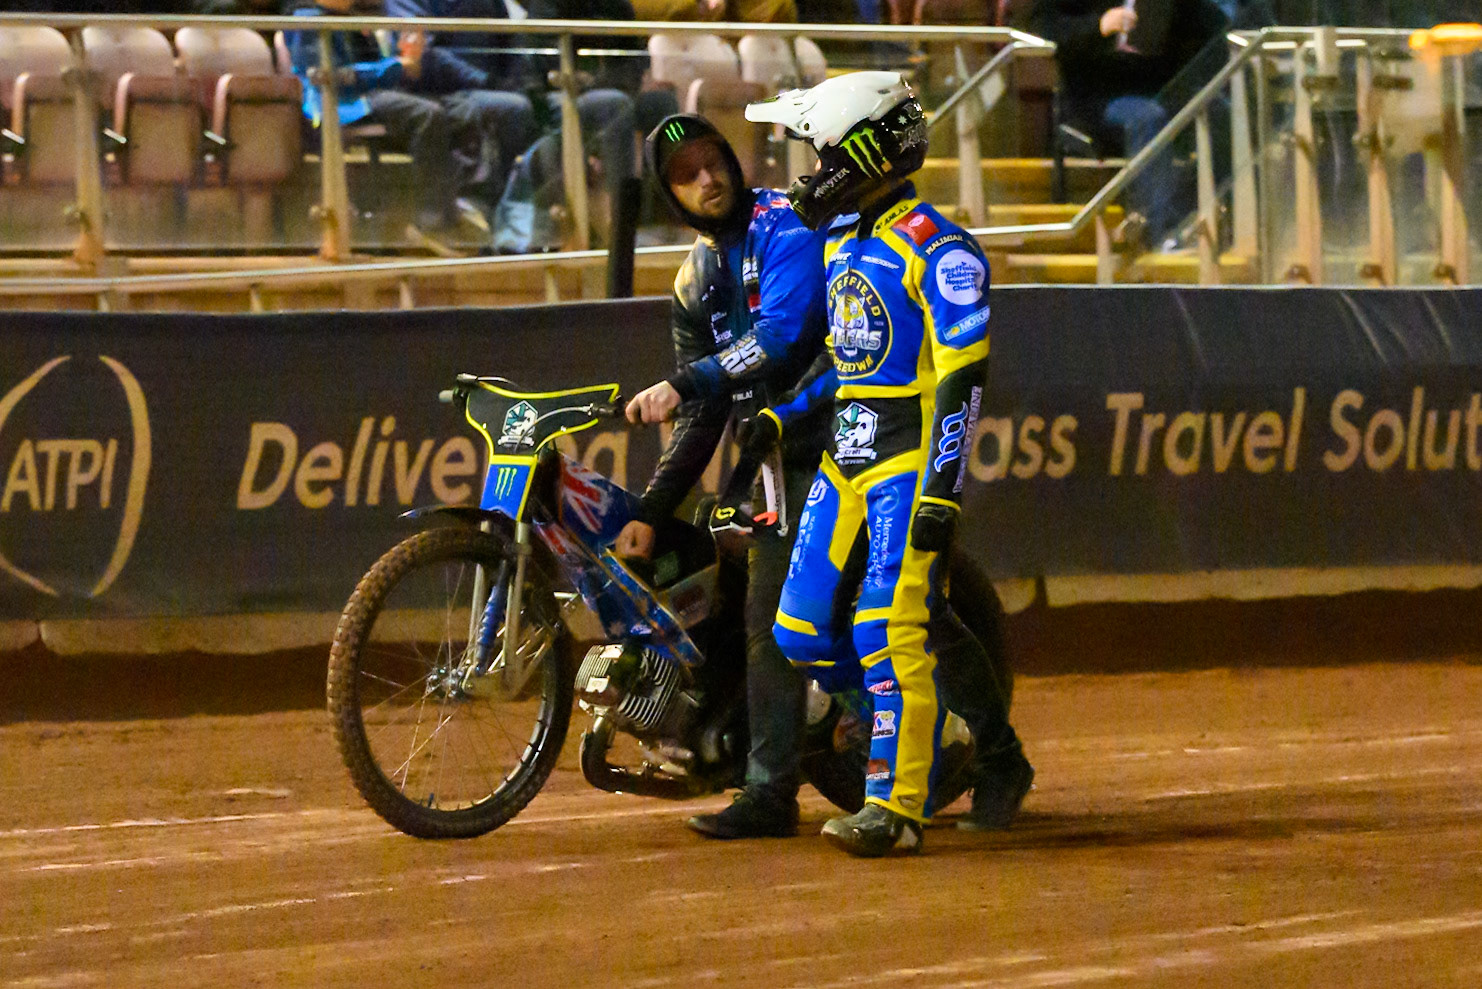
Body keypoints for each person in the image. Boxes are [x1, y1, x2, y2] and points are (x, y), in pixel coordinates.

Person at [622, 113, 1032, 844]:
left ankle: (941, 767)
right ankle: (806, 777)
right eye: (685, 173)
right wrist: (661, 498)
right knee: (787, 624)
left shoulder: (798, 226)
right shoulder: (699, 275)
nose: (706, 178)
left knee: (897, 619)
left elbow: (785, 341)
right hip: (801, 450)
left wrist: (689, 385)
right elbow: (741, 395)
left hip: (850, 446)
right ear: (668, 193)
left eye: (713, 160)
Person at [744, 70, 1020, 856]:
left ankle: (897, 805)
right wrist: (784, 413)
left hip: (905, 462)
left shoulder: (936, 246)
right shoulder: (840, 240)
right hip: (846, 458)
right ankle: (930, 736)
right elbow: (848, 363)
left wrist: (942, 489)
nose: (808, 169)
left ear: (864, 151)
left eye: (820, 151)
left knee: (889, 625)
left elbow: (965, 374)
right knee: (798, 629)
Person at [285, 0, 486, 247]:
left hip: (374, 95)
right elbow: (333, 76)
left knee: (465, 110)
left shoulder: (354, 17)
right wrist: (396, 67)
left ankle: (459, 205)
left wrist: (405, 57)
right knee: (427, 114)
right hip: (343, 102)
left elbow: (374, 64)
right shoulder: (307, 20)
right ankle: (431, 223)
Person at [1028, 0, 1225, 247]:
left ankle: (1215, 224)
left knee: (1220, 111)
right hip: (1100, 92)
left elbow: (1210, 25)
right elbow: (1044, 28)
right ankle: (1160, 234)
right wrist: (1099, 26)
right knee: (1147, 117)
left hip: (1161, 84)